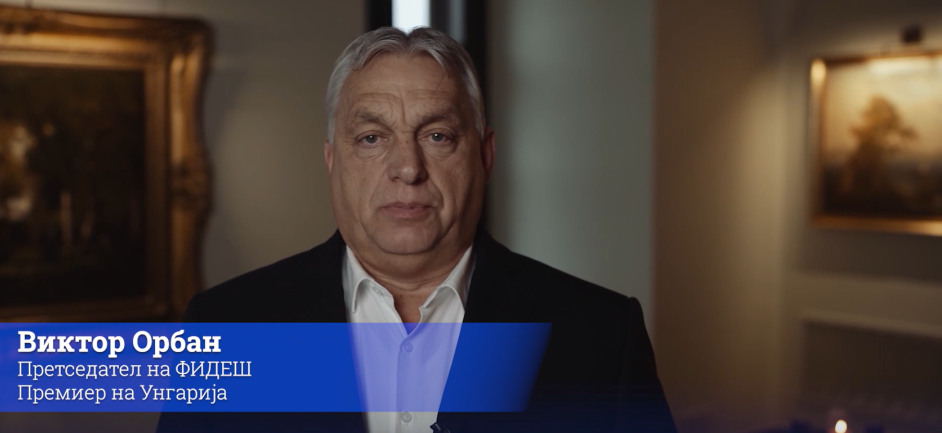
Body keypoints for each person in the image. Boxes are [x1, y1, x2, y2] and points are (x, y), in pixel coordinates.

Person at [157, 27, 676, 433]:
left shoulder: (603, 336)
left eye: (437, 135)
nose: (407, 168)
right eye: (371, 137)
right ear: (332, 161)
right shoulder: (224, 328)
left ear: (485, 156)